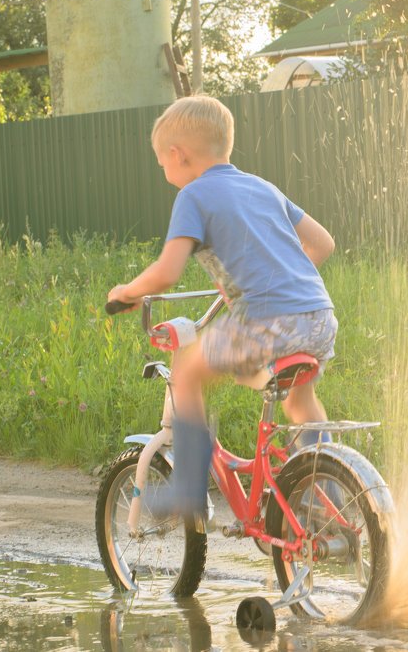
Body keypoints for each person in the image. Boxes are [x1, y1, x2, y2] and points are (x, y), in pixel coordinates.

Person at [107, 95, 337, 521]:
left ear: (177, 154)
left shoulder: (194, 196)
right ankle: (332, 496)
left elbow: (166, 273)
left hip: (270, 320)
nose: (165, 173)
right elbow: (322, 244)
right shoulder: (262, 186)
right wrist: (278, 281)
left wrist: (127, 292)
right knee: (299, 400)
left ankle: (188, 490)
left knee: (188, 370)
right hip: (319, 317)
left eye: (162, 164)